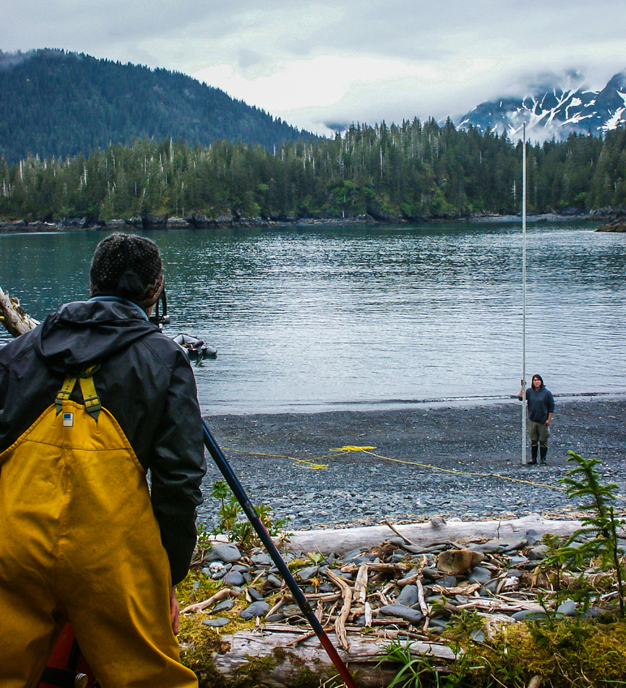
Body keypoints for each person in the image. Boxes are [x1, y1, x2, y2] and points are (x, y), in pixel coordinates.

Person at [0, 233, 206, 687]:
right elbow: (180, 479)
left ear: (93, 281)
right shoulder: (164, 359)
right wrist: (165, 577)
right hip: (112, 556)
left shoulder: (18, 352)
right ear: (156, 291)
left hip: (13, 543)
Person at [518, 374, 555, 465]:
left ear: (541, 381)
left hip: (543, 420)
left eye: (538, 380)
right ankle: (534, 459)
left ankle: (543, 459)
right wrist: (523, 386)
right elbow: (520, 398)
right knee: (533, 440)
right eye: (534, 380)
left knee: (543, 440)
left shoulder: (546, 393)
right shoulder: (530, 391)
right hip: (532, 420)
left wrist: (549, 420)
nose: (536, 382)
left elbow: (551, 407)